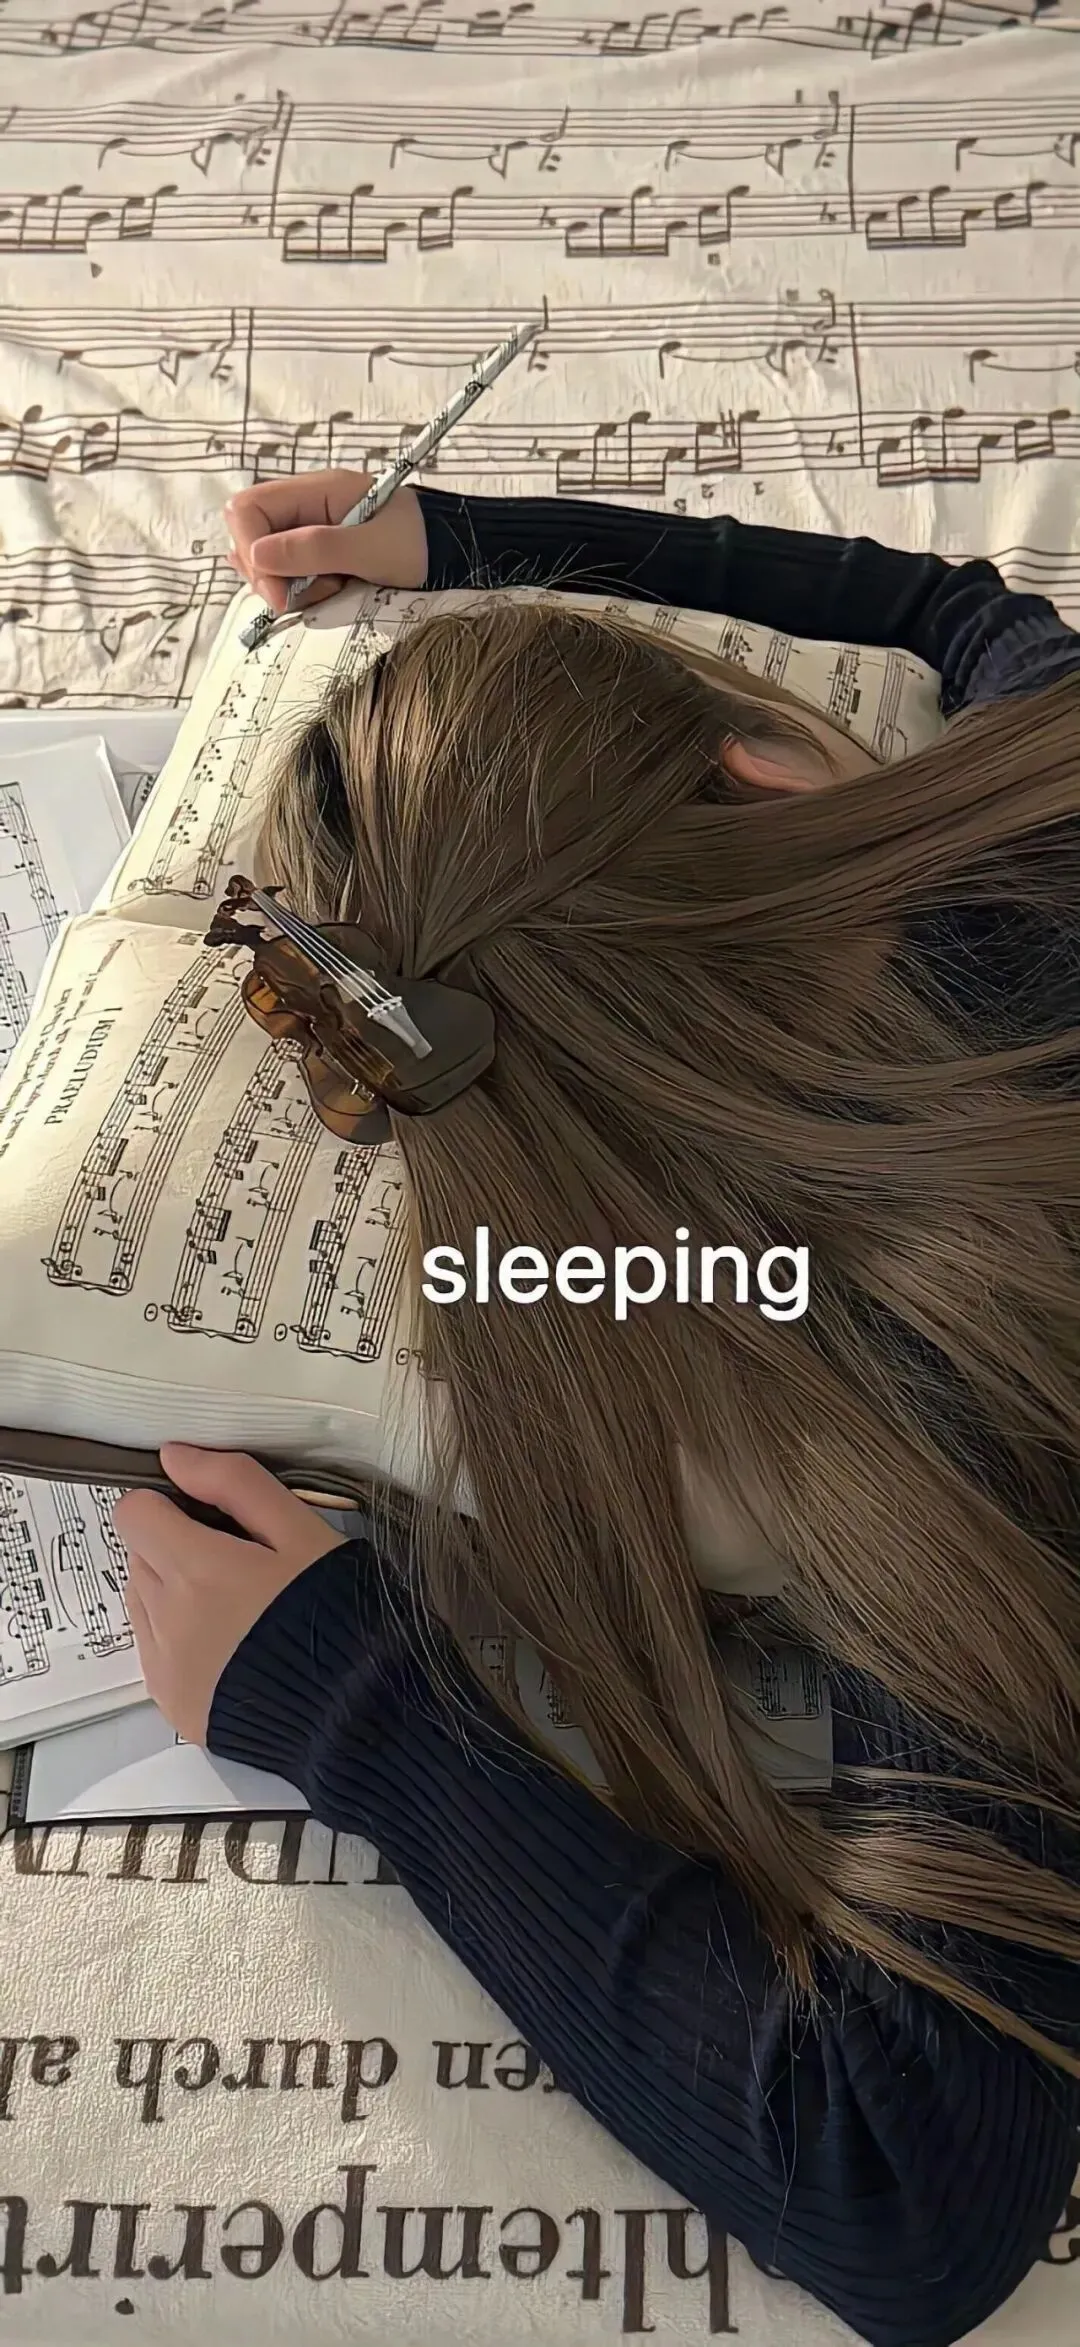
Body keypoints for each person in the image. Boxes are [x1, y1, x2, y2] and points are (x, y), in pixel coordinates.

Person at [114, 475, 1080, 2347]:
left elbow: (903, 2184)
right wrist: (455, 537)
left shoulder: (937, 1350)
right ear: (766, 773)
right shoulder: (1042, 783)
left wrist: (351, 1704)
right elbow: (956, 611)